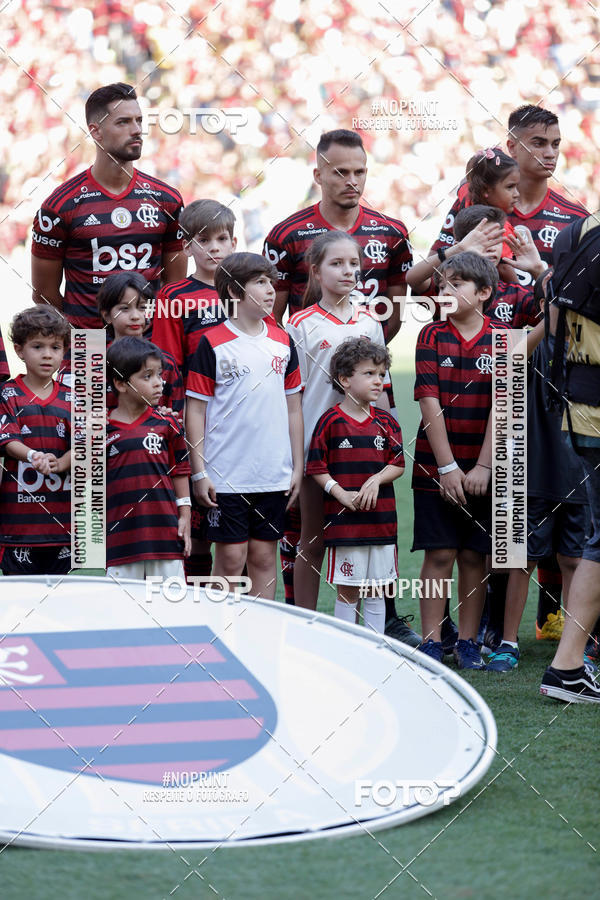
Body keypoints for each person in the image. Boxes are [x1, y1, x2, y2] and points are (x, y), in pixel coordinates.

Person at [264, 129, 411, 630]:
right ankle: (305, 623)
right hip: (316, 446)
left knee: (367, 536)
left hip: (366, 445)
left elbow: (379, 382)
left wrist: (387, 428)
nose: (348, 271)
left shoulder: (371, 320)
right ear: (316, 269)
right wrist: (295, 447)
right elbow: (294, 390)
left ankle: (367, 626)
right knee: (312, 535)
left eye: (354, 263)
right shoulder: (300, 326)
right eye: (337, 264)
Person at [185, 252, 303, 602]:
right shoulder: (211, 343)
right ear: (235, 292)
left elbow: (293, 407)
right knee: (231, 558)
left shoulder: (283, 341)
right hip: (225, 474)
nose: (271, 289)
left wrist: (297, 466)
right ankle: (220, 637)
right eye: (261, 282)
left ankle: (260, 642)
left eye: (271, 281)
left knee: (265, 558)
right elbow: (195, 411)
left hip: (273, 473)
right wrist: (198, 471)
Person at [486, 275, 589, 671]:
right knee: (518, 559)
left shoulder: (589, 341)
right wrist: (550, 317)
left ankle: (580, 643)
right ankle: (508, 641)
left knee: (576, 561)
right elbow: (504, 360)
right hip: (526, 470)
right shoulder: (526, 339)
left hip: (579, 470)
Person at [31, 82, 186, 331]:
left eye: (139, 120)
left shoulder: (166, 199)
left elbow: (175, 287)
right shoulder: (60, 205)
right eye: (123, 122)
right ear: (96, 132)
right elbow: (45, 295)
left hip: (150, 347)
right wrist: (82, 338)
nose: (136, 130)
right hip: (88, 348)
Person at [413, 252, 503, 670]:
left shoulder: (504, 339)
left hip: (485, 467)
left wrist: (484, 466)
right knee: (439, 554)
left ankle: (468, 641)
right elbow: (428, 402)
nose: (445, 292)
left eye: (456, 285)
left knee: (474, 557)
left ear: (483, 292)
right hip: (436, 466)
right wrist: (447, 468)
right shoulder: (431, 335)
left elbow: (503, 406)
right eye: (442, 284)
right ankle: (432, 641)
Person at [540, 213, 600, 702]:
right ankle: (565, 666)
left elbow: (555, 317)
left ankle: (568, 665)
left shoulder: (573, 233)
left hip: (579, 403)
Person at [306, 338, 404, 633]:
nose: (378, 381)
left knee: (377, 591)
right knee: (348, 592)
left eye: (381, 374)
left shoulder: (387, 422)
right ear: (345, 379)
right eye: (369, 374)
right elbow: (316, 467)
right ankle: (345, 651)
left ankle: (375, 648)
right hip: (345, 524)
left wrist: (376, 479)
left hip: (381, 524)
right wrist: (339, 493)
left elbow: (398, 463)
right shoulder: (330, 421)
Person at [430, 106, 587, 289]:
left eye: (555, 144)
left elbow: (579, 294)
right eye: (539, 143)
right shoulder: (473, 203)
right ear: (512, 147)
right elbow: (429, 281)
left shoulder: (577, 219)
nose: (550, 153)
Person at [105, 337, 191, 579]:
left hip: (165, 535)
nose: (158, 383)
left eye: (159, 375)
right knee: (122, 611)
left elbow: (180, 470)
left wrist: (184, 514)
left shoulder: (168, 423)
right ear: (121, 384)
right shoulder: (101, 429)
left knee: (171, 609)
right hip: (121, 540)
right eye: (147, 376)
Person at [0, 307, 71, 575]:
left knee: (59, 605)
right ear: (19, 350)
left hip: (62, 525)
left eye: (55, 347)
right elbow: (7, 440)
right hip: (18, 526)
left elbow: (85, 446)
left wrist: (62, 462)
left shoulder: (73, 398)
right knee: (18, 601)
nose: (47, 354)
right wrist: (34, 456)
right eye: (37, 346)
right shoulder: (7, 393)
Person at [151, 199, 237, 376]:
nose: (214, 248)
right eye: (203, 240)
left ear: (233, 244)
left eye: (222, 239)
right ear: (187, 247)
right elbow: (168, 363)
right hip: (199, 399)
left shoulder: (247, 289)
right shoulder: (172, 297)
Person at [95, 272, 184, 415]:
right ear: (107, 316)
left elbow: (178, 417)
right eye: (124, 308)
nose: (136, 316)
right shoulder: (94, 363)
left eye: (142, 308)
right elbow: (84, 427)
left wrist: (168, 419)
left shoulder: (166, 362)